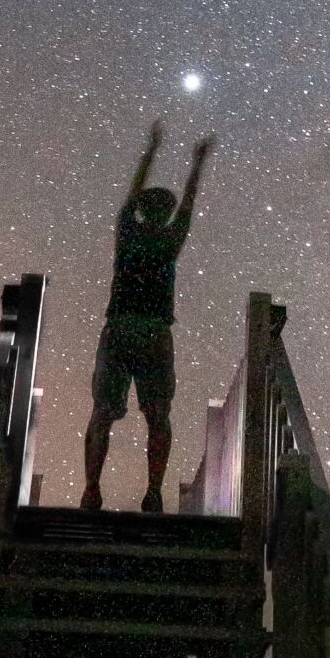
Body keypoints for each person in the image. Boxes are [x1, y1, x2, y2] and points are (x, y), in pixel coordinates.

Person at [81, 120, 213, 514]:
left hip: (121, 330)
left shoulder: (128, 232)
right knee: (157, 415)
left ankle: (92, 490)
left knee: (104, 413)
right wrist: (195, 164)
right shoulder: (169, 240)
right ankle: (152, 491)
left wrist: (152, 153)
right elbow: (188, 201)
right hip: (154, 333)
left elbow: (133, 196)